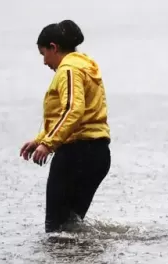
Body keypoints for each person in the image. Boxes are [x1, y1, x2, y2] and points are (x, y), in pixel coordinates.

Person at [19, 20, 111, 233]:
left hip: (76, 155)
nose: (44, 62)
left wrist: (48, 144)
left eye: (43, 54)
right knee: (71, 228)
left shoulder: (68, 69)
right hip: (98, 155)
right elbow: (72, 113)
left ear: (54, 47)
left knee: (55, 230)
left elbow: (73, 110)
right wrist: (40, 140)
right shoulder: (86, 66)